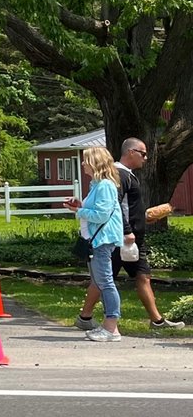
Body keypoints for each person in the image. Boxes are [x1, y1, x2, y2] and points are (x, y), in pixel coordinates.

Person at [77, 138, 186, 333]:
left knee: (140, 276)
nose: (146, 158)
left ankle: (156, 320)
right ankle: (96, 321)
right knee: (104, 279)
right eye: (143, 154)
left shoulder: (127, 175)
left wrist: (143, 218)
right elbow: (114, 206)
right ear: (131, 152)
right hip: (122, 239)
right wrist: (126, 231)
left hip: (132, 238)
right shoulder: (119, 175)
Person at [64, 145, 125, 342]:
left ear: (95, 163)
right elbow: (97, 210)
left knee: (105, 282)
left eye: (86, 160)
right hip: (96, 239)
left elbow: (101, 214)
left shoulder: (105, 185)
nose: (82, 164)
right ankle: (109, 326)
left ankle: (111, 327)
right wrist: (80, 205)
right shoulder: (97, 185)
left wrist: (78, 212)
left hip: (102, 240)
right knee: (100, 282)